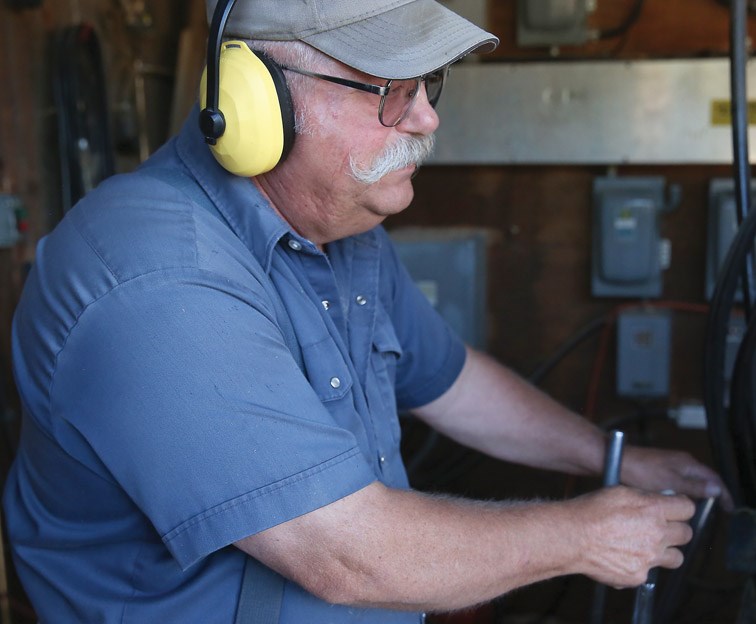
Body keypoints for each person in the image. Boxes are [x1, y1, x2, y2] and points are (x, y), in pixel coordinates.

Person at [2, 0, 730, 622]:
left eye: (427, 83)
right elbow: (348, 554)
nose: (425, 118)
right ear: (258, 102)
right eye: (388, 88)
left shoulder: (345, 231)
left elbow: (450, 379)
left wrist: (618, 460)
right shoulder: (158, 283)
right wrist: (582, 537)